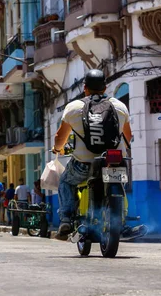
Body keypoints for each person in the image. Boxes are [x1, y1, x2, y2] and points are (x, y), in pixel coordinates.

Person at [52, 69, 131, 240]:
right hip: (113, 161)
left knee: (65, 182)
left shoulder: (73, 107)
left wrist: (57, 149)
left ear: (85, 87)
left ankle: (66, 219)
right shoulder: (120, 106)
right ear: (105, 87)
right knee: (119, 184)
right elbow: (128, 136)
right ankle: (122, 219)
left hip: (84, 165)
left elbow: (60, 138)